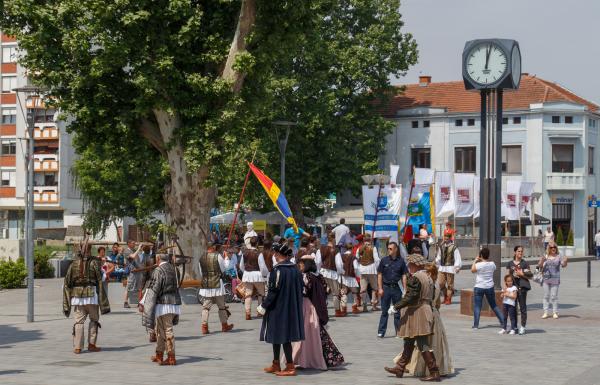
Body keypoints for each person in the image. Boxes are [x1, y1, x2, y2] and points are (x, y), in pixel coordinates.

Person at [384, 253, 440, 382]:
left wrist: (396, 307)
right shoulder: (428, 276)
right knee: (409, 340)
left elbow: (411, 296)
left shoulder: (416, 277)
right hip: (423, 310)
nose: (408, 266)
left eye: (410, 264)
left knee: (422, 343)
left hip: (418, 312)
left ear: (415, 265)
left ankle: (434, 371)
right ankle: (400, 367)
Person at [286, 256, 345, 370]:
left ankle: (299, 360)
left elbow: (303, 291)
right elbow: (326, 290)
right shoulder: (319, 276)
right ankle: (316, 359)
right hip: (315, 307)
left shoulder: (306, 276)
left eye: (302, 264)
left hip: (306, 306)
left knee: (304, 334)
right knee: (315, 334)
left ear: (306, 264)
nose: (300, 266)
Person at [258, 243, 304, 377]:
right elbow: (300, 287)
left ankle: (290, 366)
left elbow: (273, 292)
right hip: (291, 307)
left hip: (278, 308)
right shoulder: (295, 269)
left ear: (278, 255)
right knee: (278, 336)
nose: (273, 255)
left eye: (275, 253)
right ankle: (276, 363)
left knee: (284, 337)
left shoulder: (277, 270)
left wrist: (263, 306)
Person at [402, 263, 454, 378]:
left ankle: (430, 370)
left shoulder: (428, 284)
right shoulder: (435, 284)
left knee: (424, 343)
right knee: (426, 342)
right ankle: (402, 367)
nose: (425, 274)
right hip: (434, 313)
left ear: (430, 273)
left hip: (427, 314)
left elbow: (417, 298)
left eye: (427, 272)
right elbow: (438, 304)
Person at [63, 239, 110, 354]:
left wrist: (67, 299)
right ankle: (91, 344)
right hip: (92, 296)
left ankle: (78, 347)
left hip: (78, 297)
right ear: (89, 250)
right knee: (94, 320)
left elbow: (67, 282)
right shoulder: (94, 263)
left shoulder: (73, 264)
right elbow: (101, 279)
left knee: (79, 321)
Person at [140, 253, 182, 366]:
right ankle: (159, 354)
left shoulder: (158, 270)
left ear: (158, 259)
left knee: (167, 329)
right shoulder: (173, 269)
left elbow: (153, 289)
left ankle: (171, 357)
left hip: (164, 304)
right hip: (173, 302)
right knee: (160, 330)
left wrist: (145, 303)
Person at [198, 241, 234, 335]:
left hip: (206, 285)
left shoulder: (201, 257)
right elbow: (223, 269)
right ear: (213, 247)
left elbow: (201, 272)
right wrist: (225, 257)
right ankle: (224, 325)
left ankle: (204, 327)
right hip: (217, 283)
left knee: (206, 307)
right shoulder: (218, 256)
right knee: (221, 306)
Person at [376, 242, 408, 338]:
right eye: (388, 248)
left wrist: (405, 289)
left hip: (396, 288)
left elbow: (404, 275)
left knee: (397, 311)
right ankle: (381, 331)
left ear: (395, 249)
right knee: (384, 311)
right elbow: (379, 274)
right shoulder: (384, 260)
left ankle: (398, 331)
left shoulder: (401, 261)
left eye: (390, 248)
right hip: (386, 288)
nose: (389, 250)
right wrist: (380, 288)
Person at [471, 248, 504, 329]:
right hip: (489, 287)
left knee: (477, 306)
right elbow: (494, 267)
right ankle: (503, 321)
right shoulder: (492, 264)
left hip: (479, 287)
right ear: (488, 255)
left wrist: (475, 260)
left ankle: (476, 325)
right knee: (494, 305)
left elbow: (472, 270)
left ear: (481, 255)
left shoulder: (478, 265)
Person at [239, 236, 269, 320]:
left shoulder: (244, 253)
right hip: (257, 275)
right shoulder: (259, 253)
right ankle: (259, 312)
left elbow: (241, 266)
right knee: (261, 294)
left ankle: (248, 313)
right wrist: (265, 275)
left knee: (248, 294)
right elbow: (262, 267)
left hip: (247, 275)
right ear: (257, 244)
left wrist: (246, 271)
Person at [506, 245, 533, 335]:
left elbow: (530, 275)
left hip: (522, 289)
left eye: (521, 251)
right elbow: (508, 277)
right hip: (513, 289)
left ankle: (523, 327)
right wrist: (507, 288)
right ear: (515, 252)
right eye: (518, 251)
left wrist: (521, 274)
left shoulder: (524, 263)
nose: (520, 253)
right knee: (513, 308)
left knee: (522, 308)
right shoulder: (510, 263)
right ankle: (514, 327)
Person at [539, 242, 568, 319]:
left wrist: (565, 261)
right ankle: (545, 312)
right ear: (549, 248)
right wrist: (542, 260)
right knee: (546, 296)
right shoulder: (545, 255)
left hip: (555, 279)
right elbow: (539, 266)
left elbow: (563, 265)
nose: (553, 249)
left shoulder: (559, 256)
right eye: (551, 247)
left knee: (554, 296)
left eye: (554, 247)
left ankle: (555, 312)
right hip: (546, 278)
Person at [315, 236, 341, 317]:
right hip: (332, 273)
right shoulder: (336, 250)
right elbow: (339, 264)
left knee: (323, 292)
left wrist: (318, 272)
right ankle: (337, 311)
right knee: (335, 293)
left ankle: (322, 310)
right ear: (333, 240)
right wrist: (340, 272)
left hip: (323, 272)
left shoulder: (321, 249)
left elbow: (318, 262)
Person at [435, 233, 462, 305]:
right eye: (445, 237)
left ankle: (448, 299)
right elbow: (438, 256)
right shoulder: (441, 246)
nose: (446, 238)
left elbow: (457, 257)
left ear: (450, 238)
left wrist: (457, 267)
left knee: (450, 284)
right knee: (441, 283)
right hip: (442, 267)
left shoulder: (454, 247)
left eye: (447, 237)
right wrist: (437, 263)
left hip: (450, 268)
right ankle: (445, 296)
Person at [356, 233, 380, 312]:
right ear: (370, 240)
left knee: (363, 289)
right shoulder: (373, 248)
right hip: (372, 269)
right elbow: (376, 260)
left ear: (363, 240)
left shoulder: (359, 248)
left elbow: (357, 259)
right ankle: (373, 305)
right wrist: (377, 268)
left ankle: (364, 305)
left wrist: (359, 268)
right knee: (374, 288)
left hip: (362, 270)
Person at [337, 244, 360, 316]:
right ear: (352, 248)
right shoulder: (353, 257)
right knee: (354, 293)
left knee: (343, 292)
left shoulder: (341, 256)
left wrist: (341, 273)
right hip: (351, 277)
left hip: (343, 277)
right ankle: (354, 307)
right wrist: (357, 275)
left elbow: (339, 265)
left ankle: (343, 309)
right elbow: (356, 267)